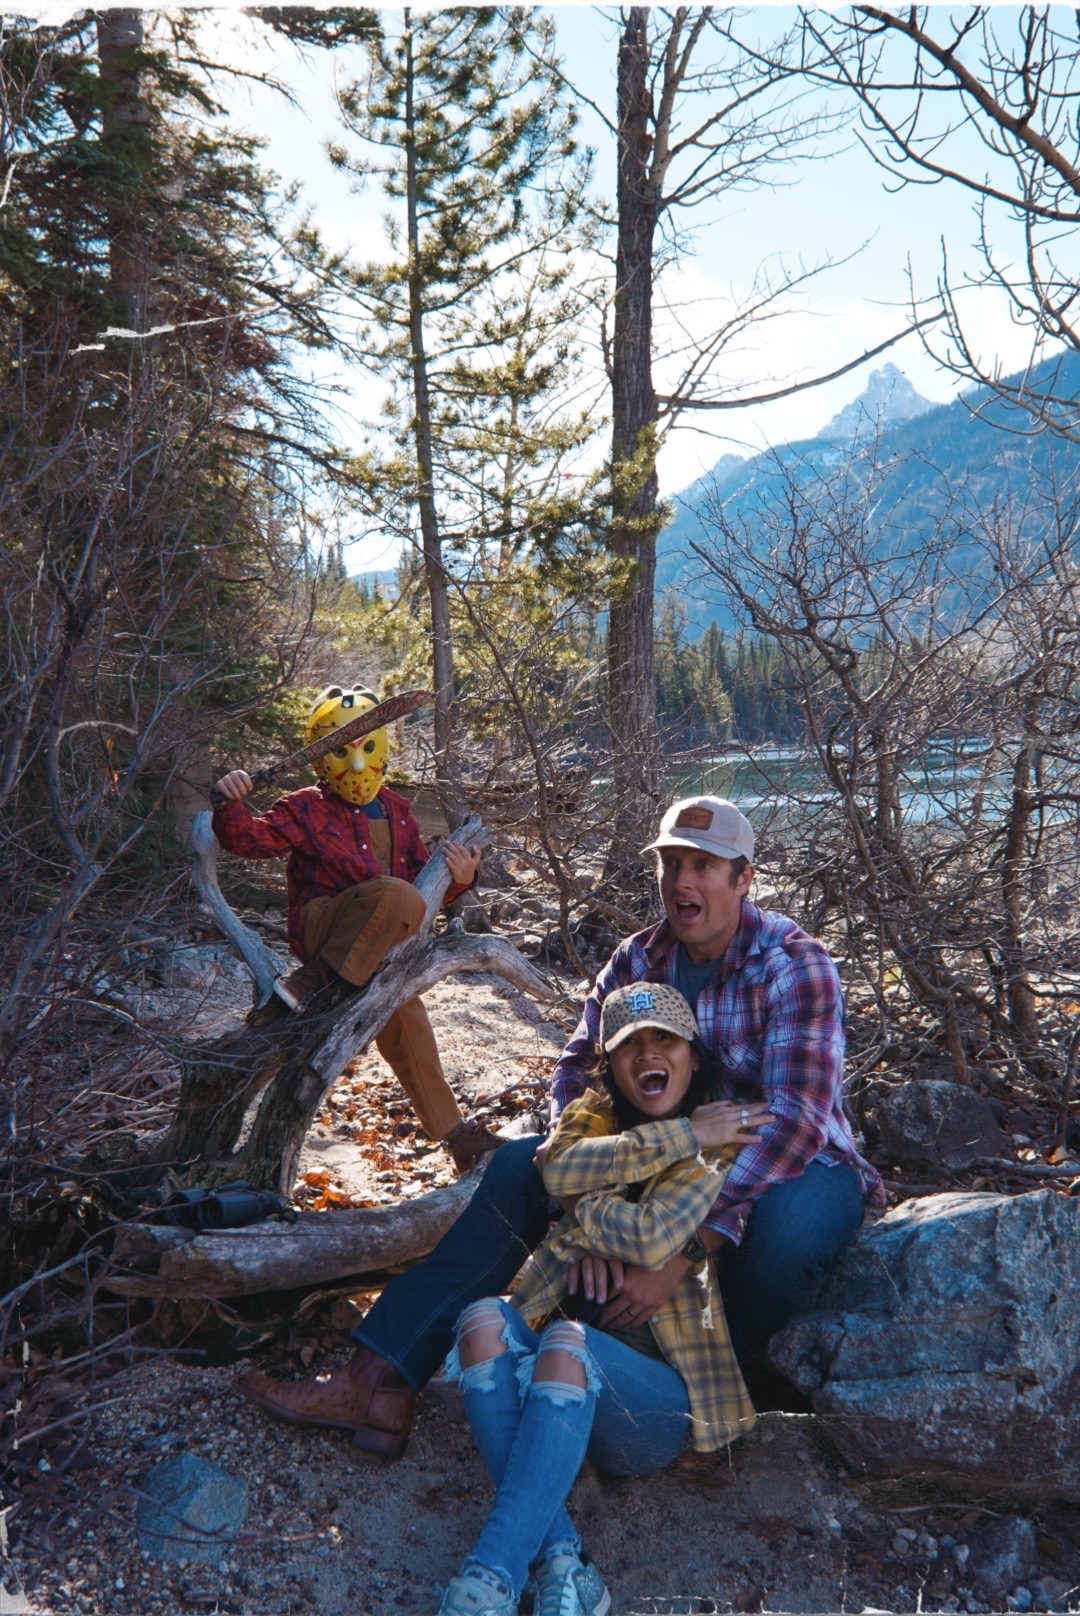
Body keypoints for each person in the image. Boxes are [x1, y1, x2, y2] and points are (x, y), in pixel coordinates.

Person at [238, 792, 885, 1452]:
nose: (682, 883)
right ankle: (377, 1380)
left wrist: (683, 1247)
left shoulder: (794, 965)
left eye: (704, 866)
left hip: (794, 1165)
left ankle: (729, 1408)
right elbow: (577, 1076)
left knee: (787, 1234)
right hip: (663, 1158)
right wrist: (592, 1204)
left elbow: (797, 1123)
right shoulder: (637, 960)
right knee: (520, 1165)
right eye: (671, 865)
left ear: (743, 878)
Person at [436, 982, 769, 1616]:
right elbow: (554, 1170)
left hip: (656, 1405)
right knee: (481, 1319)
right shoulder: (593, 1117)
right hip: (559, 1378)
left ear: (692, 1056)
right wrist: (676, 1135)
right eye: (629, 1046)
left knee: (567, 1341)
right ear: (611, 1066)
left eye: (664, 1040)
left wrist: (582, 1216)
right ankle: (567, 1563)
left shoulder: (722, 1135)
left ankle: (488, 1578)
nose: (649, 1054)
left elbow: (652, 1238)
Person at [212, 682, 497, 1172]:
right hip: (327, 929)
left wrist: (460, 880)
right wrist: (230, 802)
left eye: (369, 748)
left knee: (413, 1037)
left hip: (379, 952)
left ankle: (458, 1140)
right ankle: (314, 980)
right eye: (343, 752)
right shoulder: (303, 808)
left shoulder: (398, 812)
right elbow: (249, 840)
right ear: (322, 758)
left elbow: (422, 893)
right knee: (394, 893)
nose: (359, 766)